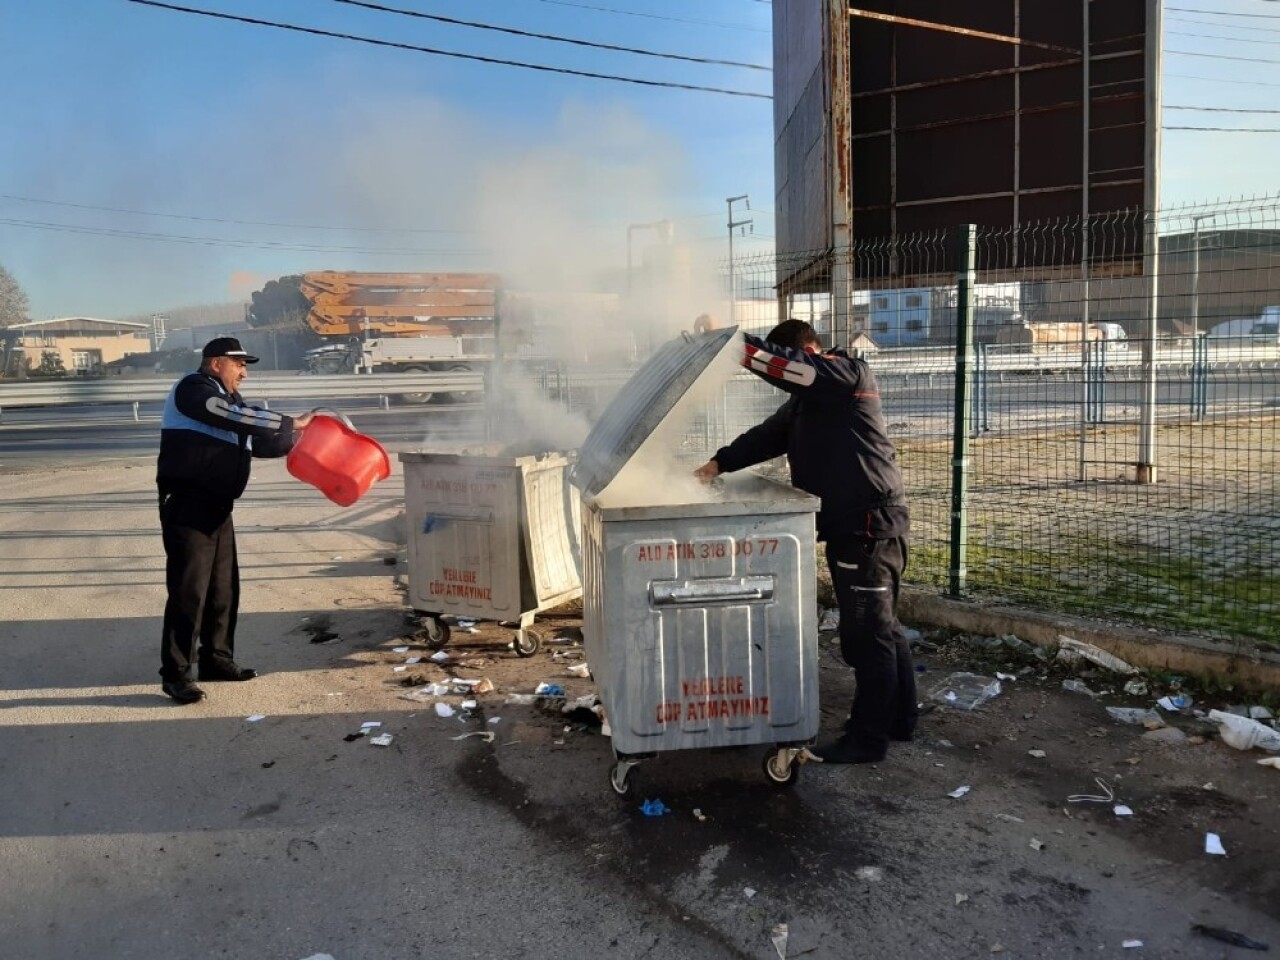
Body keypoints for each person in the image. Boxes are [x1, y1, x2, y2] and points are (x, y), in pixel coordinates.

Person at [694, 319, 915, 764]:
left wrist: (731, 344)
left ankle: (868, 741)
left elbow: (788, 366)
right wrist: (715, 465)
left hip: (869, 528)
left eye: (796, 361)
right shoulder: (805, 404)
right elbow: (765, 438)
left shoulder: (845, 374)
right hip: (853, 529)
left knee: (867, 637)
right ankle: (899, 719)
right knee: (882, 629)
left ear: (808, 351)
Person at [156, 337, 314, 704]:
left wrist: (296, 437)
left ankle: (216, 659)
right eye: (239, 364)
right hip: (187, 503)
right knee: (189, 590)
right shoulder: (194, 390)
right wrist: (290, 420)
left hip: (217, 504)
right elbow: (228, 415)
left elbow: (255, 443)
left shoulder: (231, 404)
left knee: (222, 588)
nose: (244, 372)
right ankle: (176, 674)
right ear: (216, 364)